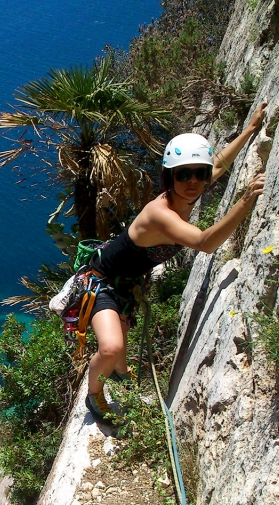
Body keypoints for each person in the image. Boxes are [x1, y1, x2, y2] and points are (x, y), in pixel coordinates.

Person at [85, 102, 268, 423]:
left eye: (200, 174)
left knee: (119, 366)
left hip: (125, 287)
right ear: (169, 177)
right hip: (101, 284)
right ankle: (93, 395)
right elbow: (205, 243)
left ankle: (117, 376)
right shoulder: (161, 213)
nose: (193, 181)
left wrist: (250, 130)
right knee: (111, 349)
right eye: (184, 174)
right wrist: (244, 202)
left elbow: (219, 163)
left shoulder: (188, 192)